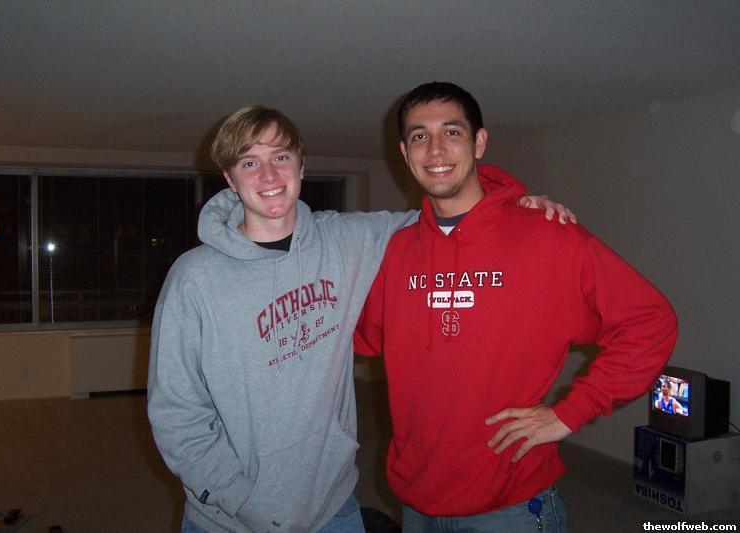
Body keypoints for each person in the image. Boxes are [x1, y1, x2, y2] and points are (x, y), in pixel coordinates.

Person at [147, 105, 573, 533]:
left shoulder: (348, 240)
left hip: (332, 508)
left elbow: (449, 217)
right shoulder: (194, 278)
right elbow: (175, 413)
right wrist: (240, 499)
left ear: (301, 165)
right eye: (250, 163)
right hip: (229, 520)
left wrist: (514, 208)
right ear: (230, 178)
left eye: (281, 157)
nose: (269, 175)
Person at [354, 82, 678, 532]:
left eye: (451, 132)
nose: (435, 149)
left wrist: (569, 412)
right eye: (419, 136)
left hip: (511, 507)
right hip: (416, 503)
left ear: (479, 142)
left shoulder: (548, 236)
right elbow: (353, 335)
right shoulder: (395, 251)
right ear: (405, 154)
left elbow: (649, 322)